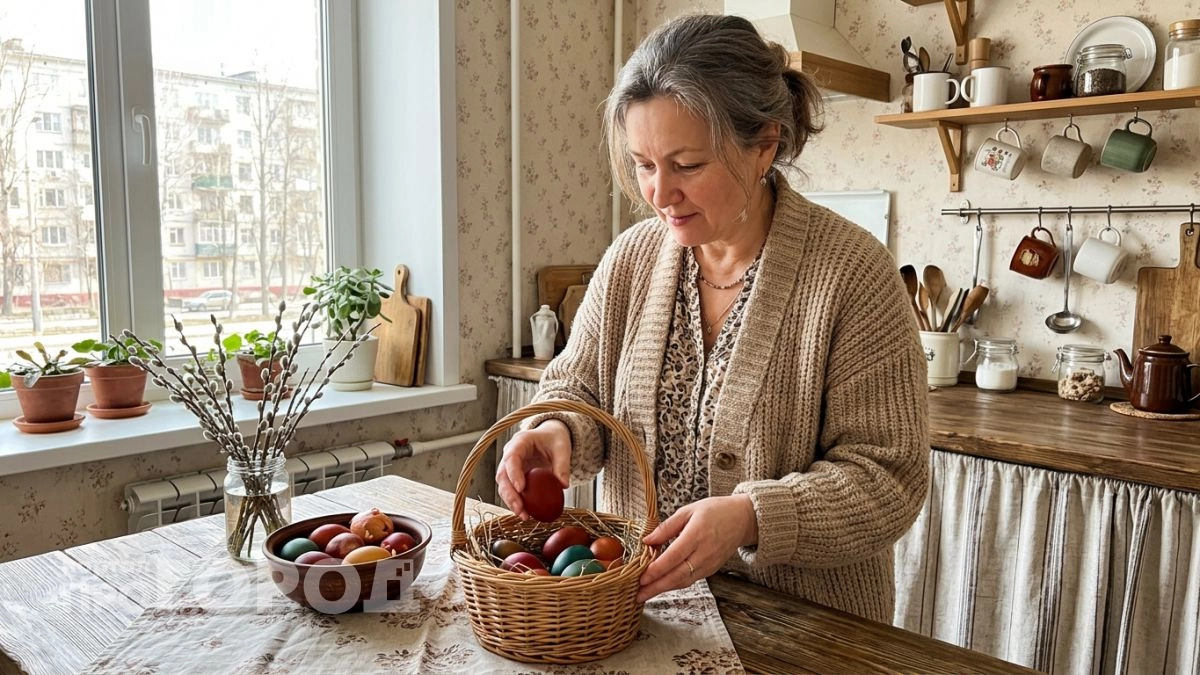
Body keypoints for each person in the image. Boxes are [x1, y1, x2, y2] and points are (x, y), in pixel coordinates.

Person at [496, 13, 929, 624]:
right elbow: (578, 388)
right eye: (644, 164)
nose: (659, 193)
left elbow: (889, 479)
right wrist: (557, 429)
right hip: (643, 615)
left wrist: (753, 517)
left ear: (764, 147)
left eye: (687, 165)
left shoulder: (853, 273)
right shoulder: (630, 259)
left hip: (803, 630)